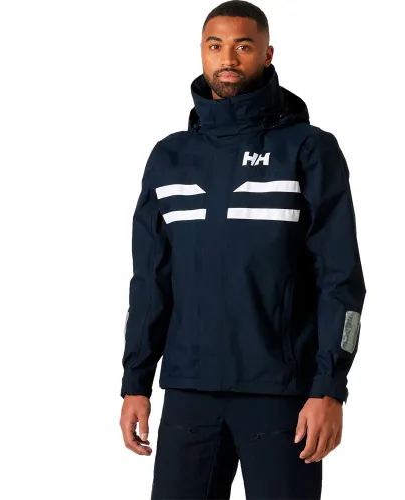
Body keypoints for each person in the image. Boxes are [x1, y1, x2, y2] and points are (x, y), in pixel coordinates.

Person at [119, 1, 366, 498]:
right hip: (189, 392)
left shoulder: (308, 149)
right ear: (202, 52)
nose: (228, 58)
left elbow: (341, 279)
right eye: (216, 46)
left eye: (243, 46)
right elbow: (150, 282)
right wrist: (135, 382)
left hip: (281, 395)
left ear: (267, 54)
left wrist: (329, 387)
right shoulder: (169, 157)